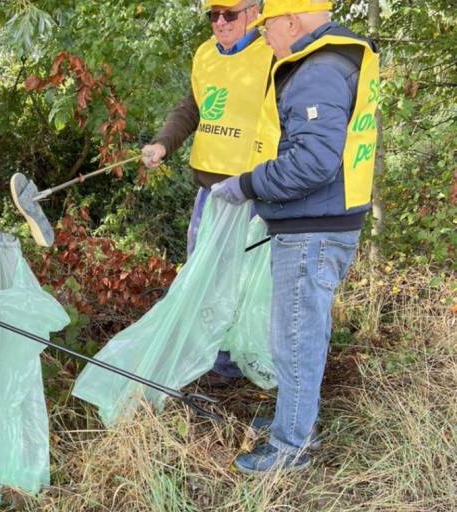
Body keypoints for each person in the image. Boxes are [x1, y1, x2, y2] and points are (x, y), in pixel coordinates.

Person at [211, 0, 380, 473]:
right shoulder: (332, 62)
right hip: (320, 221)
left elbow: (312, 163)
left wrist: (246, 185)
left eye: (268, 26)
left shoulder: (318, 71)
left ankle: (290, 447)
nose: (263, 35)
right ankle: (295, 421)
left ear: (292, 20)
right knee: (301, 333)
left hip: (313, 229)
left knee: (296, 338)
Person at [141, 0, 274, 383]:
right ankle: (209, 359)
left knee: (242, 278)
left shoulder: (271, 53)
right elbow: (192, 107)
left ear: (254, 11)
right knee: (203, 275)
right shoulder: (205, 54)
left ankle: (237, 361)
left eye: (229, 14)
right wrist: (163, 144)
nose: (219, 22)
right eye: (213, 14)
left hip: (252, 191)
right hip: (210, 189)